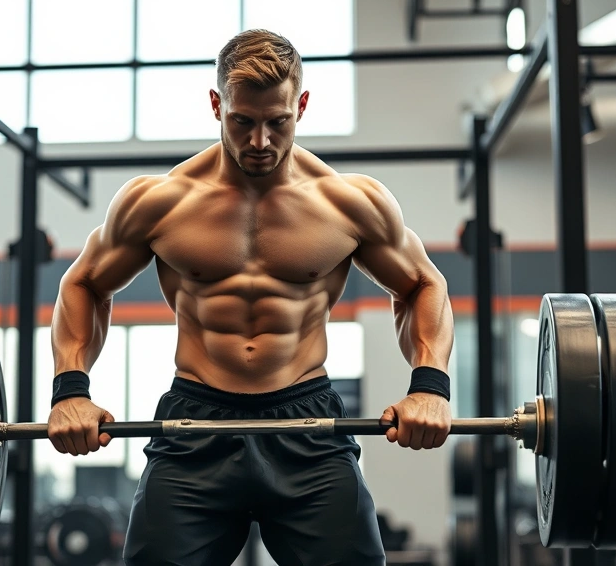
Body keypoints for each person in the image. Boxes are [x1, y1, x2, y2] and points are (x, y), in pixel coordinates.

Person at [47, 29, 454, 566]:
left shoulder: (348, 203)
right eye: (242, 121)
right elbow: (85, 282)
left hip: (306, 424)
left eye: (277, 121)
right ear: (216, 105)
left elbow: (424, 283)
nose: (260, 141)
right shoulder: (161, 202)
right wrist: (70, 391)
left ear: (301, 106)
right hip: (196, 424)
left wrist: (429, 386)